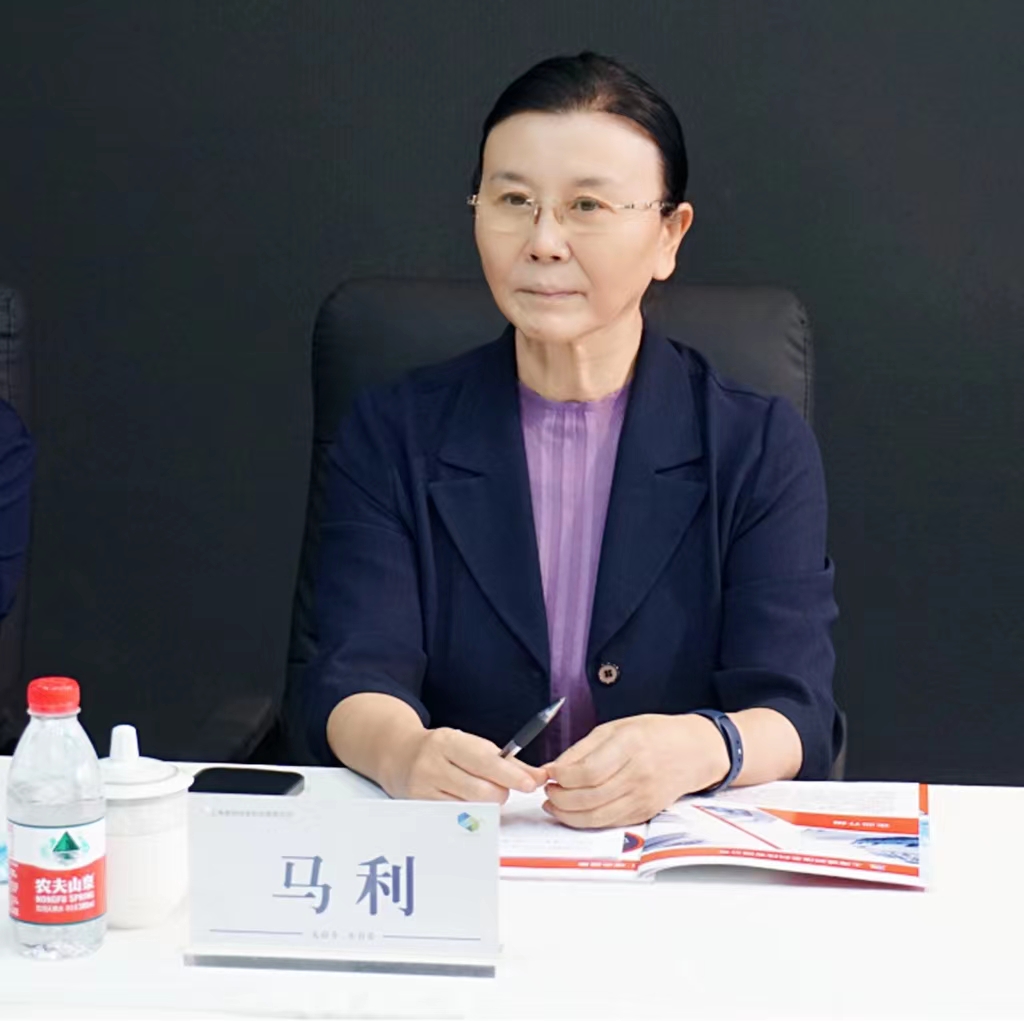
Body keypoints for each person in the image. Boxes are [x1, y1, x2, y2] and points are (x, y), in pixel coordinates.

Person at [303, 52, 839, 828]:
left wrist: (696, 747)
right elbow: (350, 674)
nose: (544, 241)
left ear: (669, 234)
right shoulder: (394, 433)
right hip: (461, 847)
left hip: (671, 855)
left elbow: (795, 710)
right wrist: (403, 752)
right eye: (513, 200)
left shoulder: (755, 445)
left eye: (588, 205)